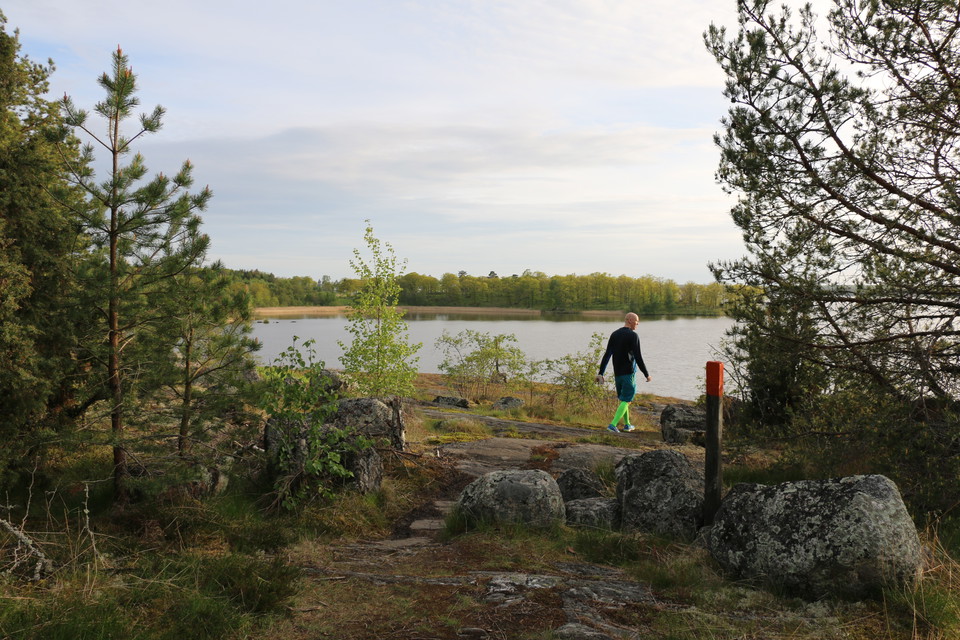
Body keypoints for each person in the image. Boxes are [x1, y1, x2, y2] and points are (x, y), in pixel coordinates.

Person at [595, 312, 651, 433]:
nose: (638, 323)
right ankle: (613, 424)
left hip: (618, 373)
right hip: (628, 373)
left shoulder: (615, 334)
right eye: (637, 321)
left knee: (624, 399)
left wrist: (601, 373)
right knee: (627, 399)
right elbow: (638, 357)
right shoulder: (633, 336)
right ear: (630, 320)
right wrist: (646, 374)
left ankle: (627, 425)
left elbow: (607, 354)